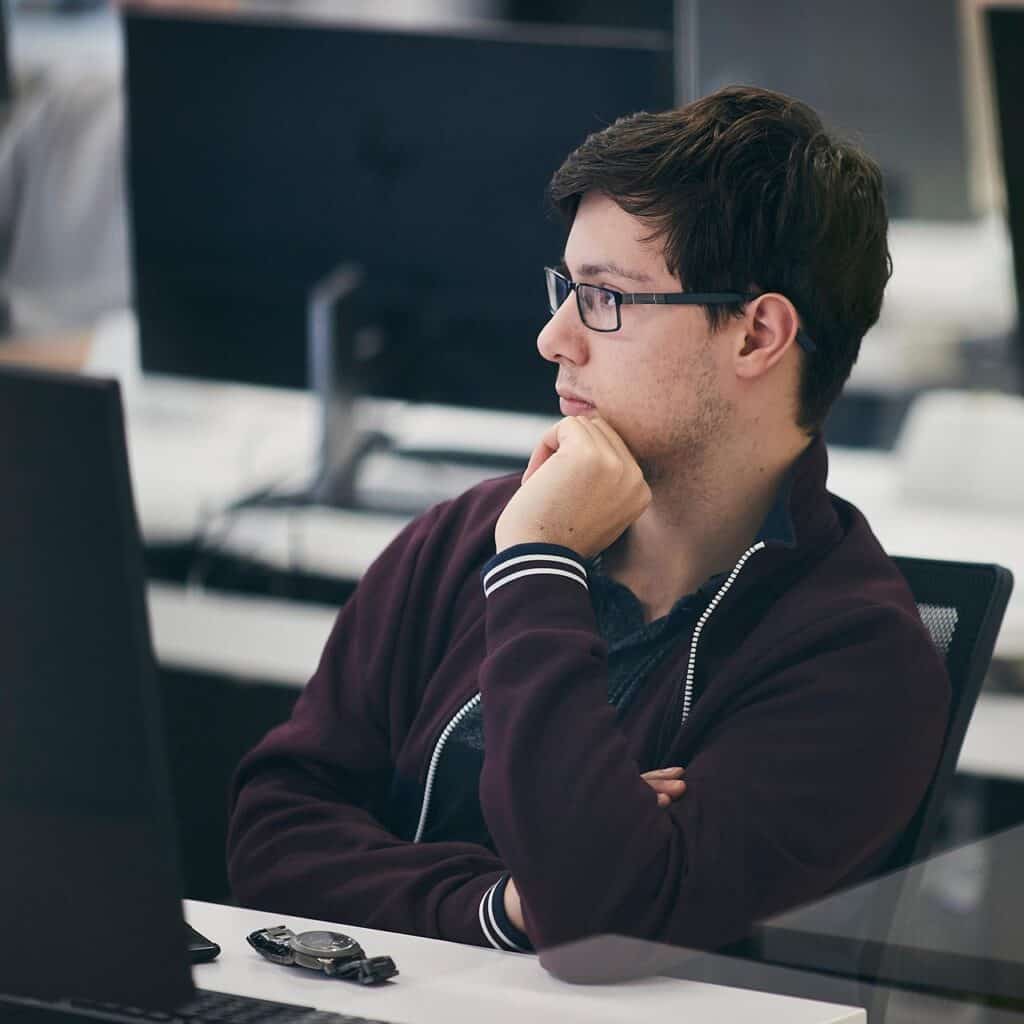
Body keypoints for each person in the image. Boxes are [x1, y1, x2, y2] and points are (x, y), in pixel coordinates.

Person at [226, 86, 950, 956]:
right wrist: (495, 904)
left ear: (758, 336)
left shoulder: (859, 662)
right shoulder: (465, 538)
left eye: (606, 299)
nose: (556, 336)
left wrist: (540, 565)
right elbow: (271, 834)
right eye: (566, 288)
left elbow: (595, 922)